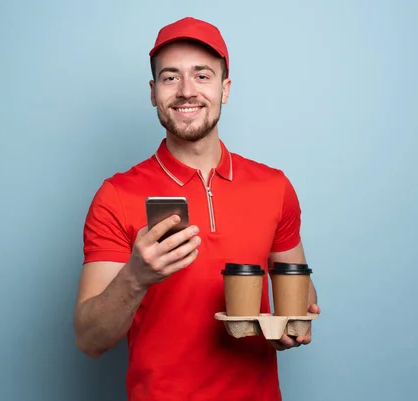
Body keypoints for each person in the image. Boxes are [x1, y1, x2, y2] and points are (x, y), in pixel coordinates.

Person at [72, 16, 320, 401]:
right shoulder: (116, 196)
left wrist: (295, 323)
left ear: (225, 88)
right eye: (171, 78)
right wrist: (136, 276)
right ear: (153, 92)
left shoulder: (275, 187)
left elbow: (297, 288)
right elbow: (89, 340)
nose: (187, 91)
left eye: (202, 76)